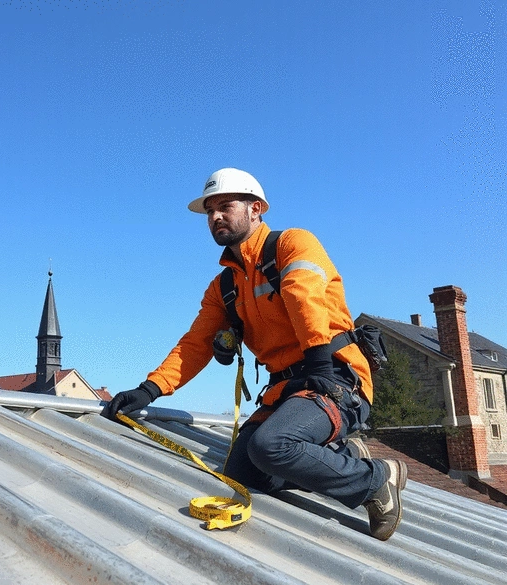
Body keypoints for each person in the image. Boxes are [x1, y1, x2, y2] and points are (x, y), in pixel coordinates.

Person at [101, 167, 407, 541]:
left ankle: (375, 481)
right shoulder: (224, 285)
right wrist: (149, 390)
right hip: (287, 390)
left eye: (225, 206)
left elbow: (303, 296)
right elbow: (194, 343)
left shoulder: (293, 243)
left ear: (256, 208)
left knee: (272, 445)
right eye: (209, 211)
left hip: (335, 376)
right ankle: (346, 458)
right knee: (240, 471)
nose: (215, 217)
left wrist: (318, 363)